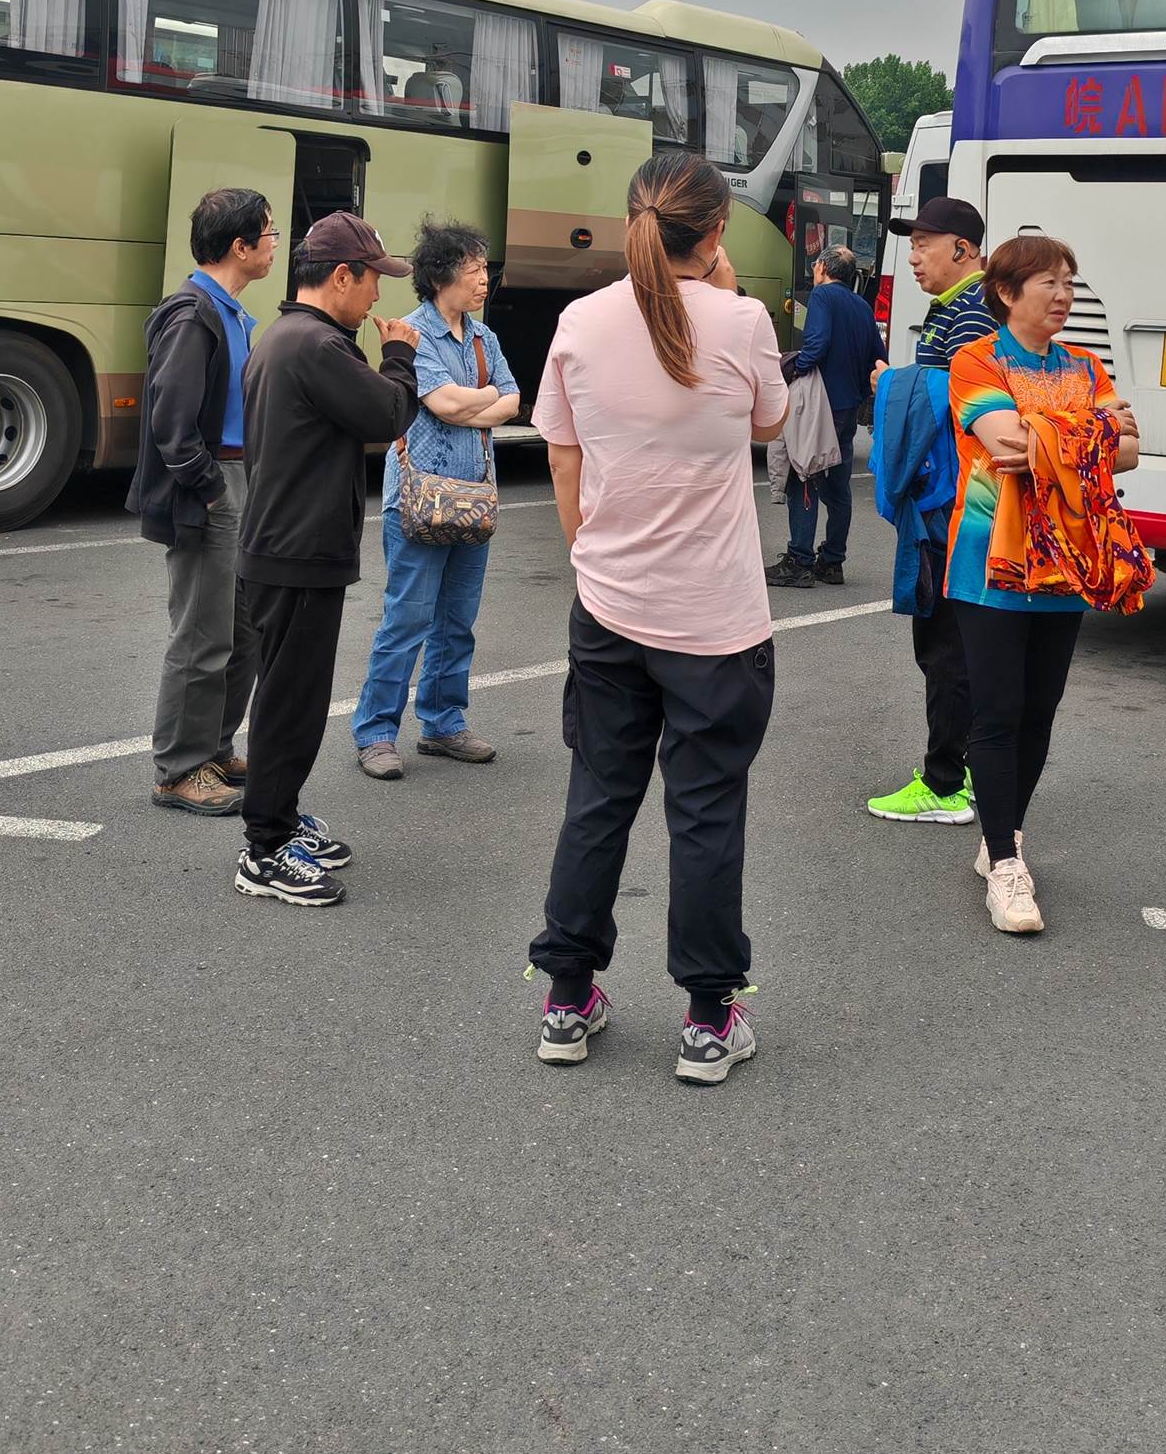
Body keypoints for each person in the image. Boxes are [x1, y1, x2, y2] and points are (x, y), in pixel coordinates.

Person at [527, 152, 788, 1085]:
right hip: (714, 616)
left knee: (599, 797)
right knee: (706, 811)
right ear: (715, 233)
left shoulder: (579, 322)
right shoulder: (743, 319)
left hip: (609, 603)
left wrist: (590, 557)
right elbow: (766, 422)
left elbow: (564, 459)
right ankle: (710, 1017)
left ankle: (566, 995)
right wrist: (722, 289)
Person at [945, 232, 1139, 934]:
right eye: (1048, 283)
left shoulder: (1084, 364)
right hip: (990, 560)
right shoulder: (975, 360)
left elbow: (1134, 452)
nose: (1063, 296)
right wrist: (1092, 432)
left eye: (1070, 284)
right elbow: (1004, 445)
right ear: (1005, 292)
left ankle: (1005, 837)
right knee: (996, 710)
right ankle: (1005, 867)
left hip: (1068, 558)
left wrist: (1054, 434)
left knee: (1040, 709)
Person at [232, 212, 420, 909]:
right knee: (291, 703)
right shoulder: (316, 346)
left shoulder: (284, 335)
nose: (378, 298)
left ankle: (279, 819)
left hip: (281, 543)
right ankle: (266, 846)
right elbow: (388, 415)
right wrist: (399, 353)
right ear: (341, 276)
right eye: (373, 281)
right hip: (298, 547)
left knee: (289, 695)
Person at [351, 220, 521, 779]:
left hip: (471, 500)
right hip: (419, 502)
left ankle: (445, 724)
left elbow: (513, 402)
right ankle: (375, 733)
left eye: (483, 269)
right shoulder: (412, 333)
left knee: (457, 622)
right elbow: (445, 405)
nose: (483, 280)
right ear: (442, 275)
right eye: (473, 270)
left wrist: (484, 399)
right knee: (406, 620)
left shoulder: (484, 338)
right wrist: (485, 397)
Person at [128, 187, 276, 816]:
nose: (276, 245)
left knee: (242, 631)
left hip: (242, 480)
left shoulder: (231, 312)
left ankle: (213, 749)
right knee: (202, 633)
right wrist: (212, 490)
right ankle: (179, 769)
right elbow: (172, 422)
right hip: (216, 486)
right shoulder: (193, 314)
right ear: (240, 247)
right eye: (268, 235)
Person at [864, 195, 998, 827]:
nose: (913, 257)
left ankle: (945, 782)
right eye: (911, 243)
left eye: (924, 244)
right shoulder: (957, 308)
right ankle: (964, 764)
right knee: (953, 641)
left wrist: (890, 381)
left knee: (944, 644)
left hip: (951, 502)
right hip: (958, 499)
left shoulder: (970, 312)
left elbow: (957, 403)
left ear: (963, 251)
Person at [765, 246, 879, 590]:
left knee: (804, 474)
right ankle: (832, 560)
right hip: (848, 406)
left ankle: (799, 560)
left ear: (823, 269)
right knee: (838, 484)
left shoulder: (822, 297)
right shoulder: (862, 305)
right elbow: (877, 354)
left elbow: (816, 345)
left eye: (816, 263)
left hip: (820, 404)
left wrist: (794, 369)